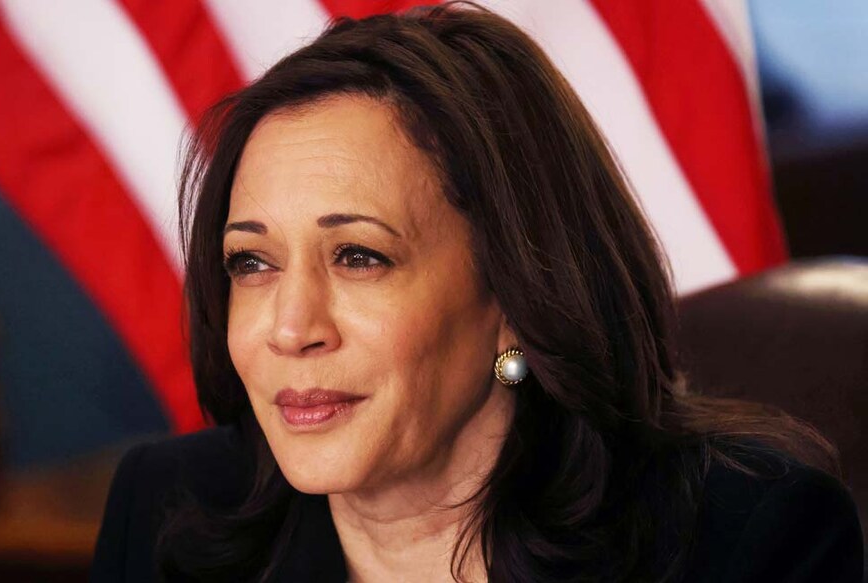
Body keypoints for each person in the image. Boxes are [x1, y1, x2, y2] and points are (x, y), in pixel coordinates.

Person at [90, 4, 864, 582]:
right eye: (251, 263)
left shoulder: (743, 540)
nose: (290, 328)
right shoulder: (163, 512)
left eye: (358, 256)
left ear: (514, 296)